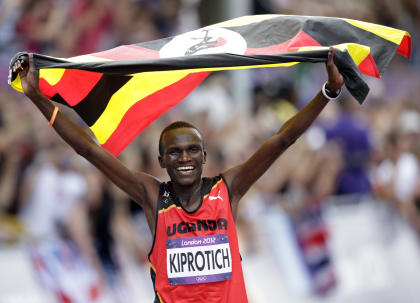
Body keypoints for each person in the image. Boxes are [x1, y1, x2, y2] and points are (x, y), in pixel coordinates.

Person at [12, 47, 344, 303]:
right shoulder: (151, 195)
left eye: (191, 151)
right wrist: (39, 99)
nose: (184, 158)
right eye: (174, 152)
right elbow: (89, 150)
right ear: (161, 160)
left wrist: (328, 91)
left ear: (204, 156)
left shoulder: (228, 189)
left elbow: (282, 139)